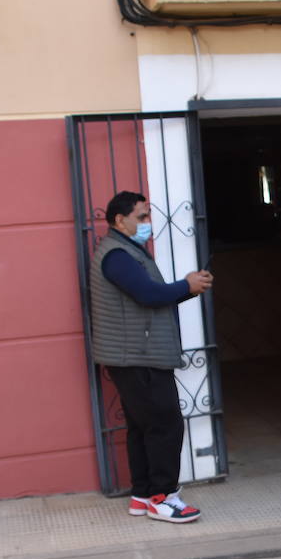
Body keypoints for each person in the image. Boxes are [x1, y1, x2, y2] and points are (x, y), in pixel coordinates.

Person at [90, 191, 211, 523]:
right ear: (119, 220)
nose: (148, 223)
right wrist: (186, 286)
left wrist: (189, 288)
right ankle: (163, 497)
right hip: (139, 357)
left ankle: (142, 496)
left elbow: (148, 298)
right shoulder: (117, 255)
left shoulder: (126, 250)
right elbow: (147, 295)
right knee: (164, 425)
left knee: (143, 428)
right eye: (141, 217)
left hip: (136, 356)